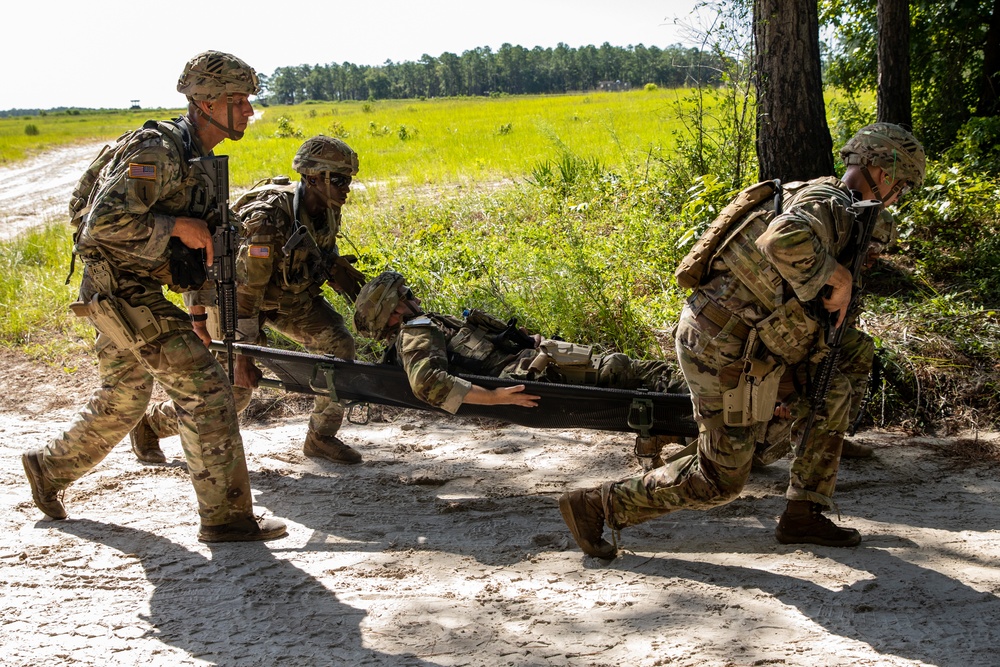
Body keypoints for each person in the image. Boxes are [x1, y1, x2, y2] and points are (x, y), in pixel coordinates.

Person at [559, 123, 925, 558]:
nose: (898, 195)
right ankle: (598, 505)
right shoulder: (826, 203)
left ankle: (803, 510)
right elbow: (782, 238)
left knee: (844, 366)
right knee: (721, 480)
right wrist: (840, 277)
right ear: (883, 173)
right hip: (721, 348)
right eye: (902, 185)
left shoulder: (836, 203)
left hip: (752, 339)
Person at [20, 51, 286, 543]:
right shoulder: (157, 151)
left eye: (249, 99)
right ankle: (227, 519)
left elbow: (205, 251)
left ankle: (48, 469)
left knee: (125, 398)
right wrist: (175, 226)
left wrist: (200, 313)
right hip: (117, 287)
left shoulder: (201, 162)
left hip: (136, 288)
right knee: (206, 389)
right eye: (237, 100)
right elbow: (99, 227)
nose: (248, 109)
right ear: (204, 103)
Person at [128, 135, 365, 465]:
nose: (346, 187)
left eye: (348, 179)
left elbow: (315, 254)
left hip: (282, 297)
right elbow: (245, 294)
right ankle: (151, 424)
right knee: (234, 393)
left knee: (338, 345)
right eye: (338, 179)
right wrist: (243, 355)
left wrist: (332, 269)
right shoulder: (267, 221)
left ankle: (320, 437)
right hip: (233, 298)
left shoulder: (326, 208)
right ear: (312, 178)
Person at [353, 271, 688, 413]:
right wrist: (496, 397)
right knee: (633, 371)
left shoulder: (426, 324)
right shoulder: (415, 333)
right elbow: (428, 384)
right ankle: (711, 411)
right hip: (529, 374)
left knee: (633, 369)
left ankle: (701, 411)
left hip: (532, 361)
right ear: (393, 312)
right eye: (404, 295)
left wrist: (529, 342)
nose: (412, 296)